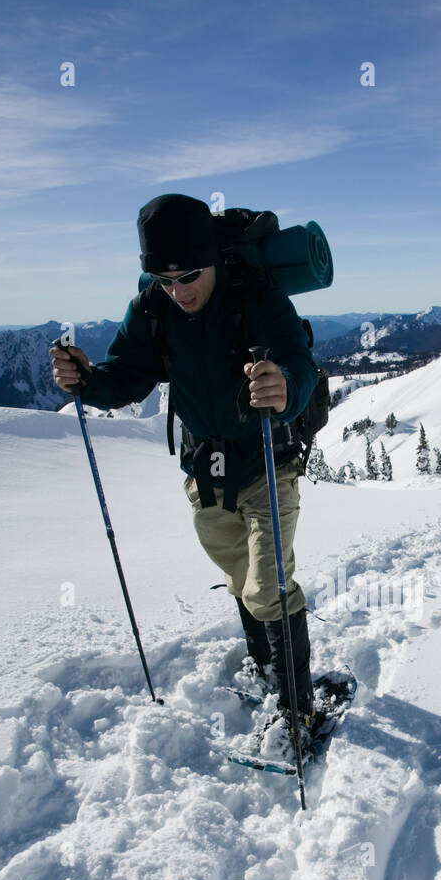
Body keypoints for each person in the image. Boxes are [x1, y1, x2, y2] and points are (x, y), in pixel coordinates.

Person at [50, 193, 319, 748]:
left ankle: (298, 710)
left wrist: (286, 387)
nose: (178, 288)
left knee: (268, 586)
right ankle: (264, 666)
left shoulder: (256, 296)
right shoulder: (153, 306)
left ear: (213, 261)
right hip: (205, 468)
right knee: (241, 580)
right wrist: (88, 379)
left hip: (267, 458)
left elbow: (299, 361)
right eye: (164, 277)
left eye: (188, 275)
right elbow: (128, 374)